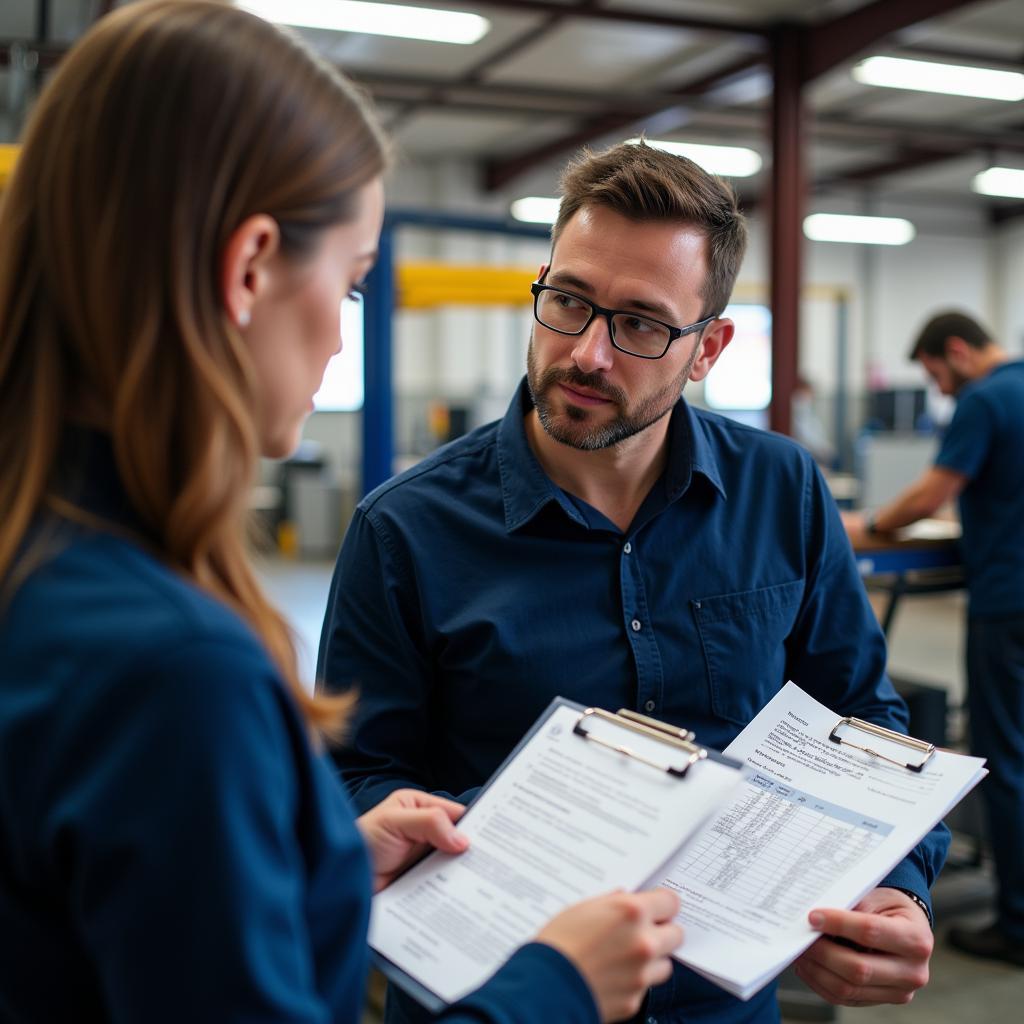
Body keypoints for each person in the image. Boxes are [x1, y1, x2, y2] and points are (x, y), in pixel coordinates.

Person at [0, 4, 685, 1022]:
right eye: (354, 283)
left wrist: (313, 863)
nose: (334, 340)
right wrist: (555, 985)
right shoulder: (175, 669)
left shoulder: (44, 568)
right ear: (249, 268)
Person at [319, 141, 948, 1024]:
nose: (587, 354)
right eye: (568, 302)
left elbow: (862, 724)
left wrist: (898, 889)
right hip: (504, 996)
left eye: (642, 324)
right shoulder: (405, 530)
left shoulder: (782, 491)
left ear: (708, 348)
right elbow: (354, 775)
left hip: (719, 1003)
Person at [844, 310, 1024, 966]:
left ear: (956, 351)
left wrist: (870, 523)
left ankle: (1017, 923)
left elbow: (927, 496)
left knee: (1005, 755)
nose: (940, 389)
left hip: (1009, 601)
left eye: (935, 374)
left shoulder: (984, 398)